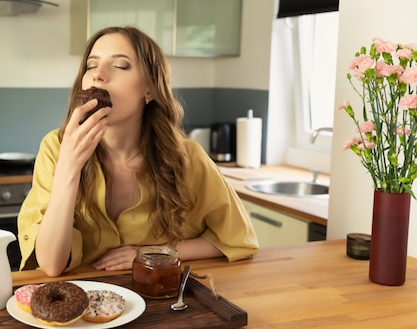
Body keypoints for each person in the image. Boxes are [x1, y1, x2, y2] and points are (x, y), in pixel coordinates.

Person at [18, 26, 258, 277]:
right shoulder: (56, 149)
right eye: (91, 65)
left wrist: (152, 252)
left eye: (120, 66)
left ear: (150, 90)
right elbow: (51, 265)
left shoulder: (188, 158)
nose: (98, 75)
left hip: (155, 298)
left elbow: (239, 240)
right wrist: (69, 167)